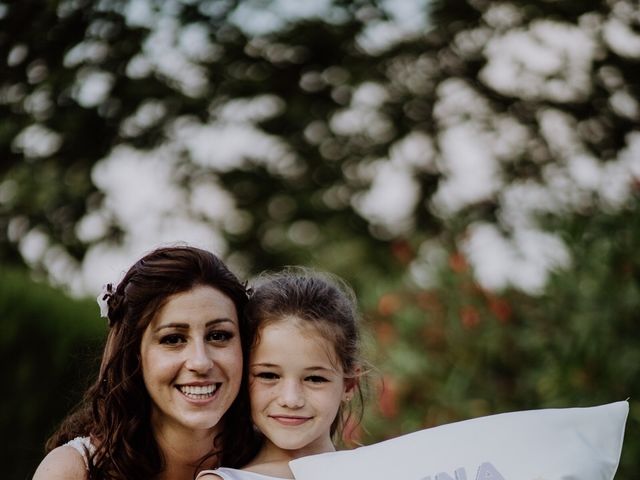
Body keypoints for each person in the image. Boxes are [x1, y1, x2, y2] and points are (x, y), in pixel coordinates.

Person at [32, 245, 256, 480]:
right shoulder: (73, 471)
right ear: (134, 354)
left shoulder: (285, 461)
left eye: (218, 335)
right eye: (173, 339)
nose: (200, 362)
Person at [196, 268, 366, 480]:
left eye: (314, 378)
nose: (291, 400)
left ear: (349, 385)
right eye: (268, 375)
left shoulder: (383, 470)